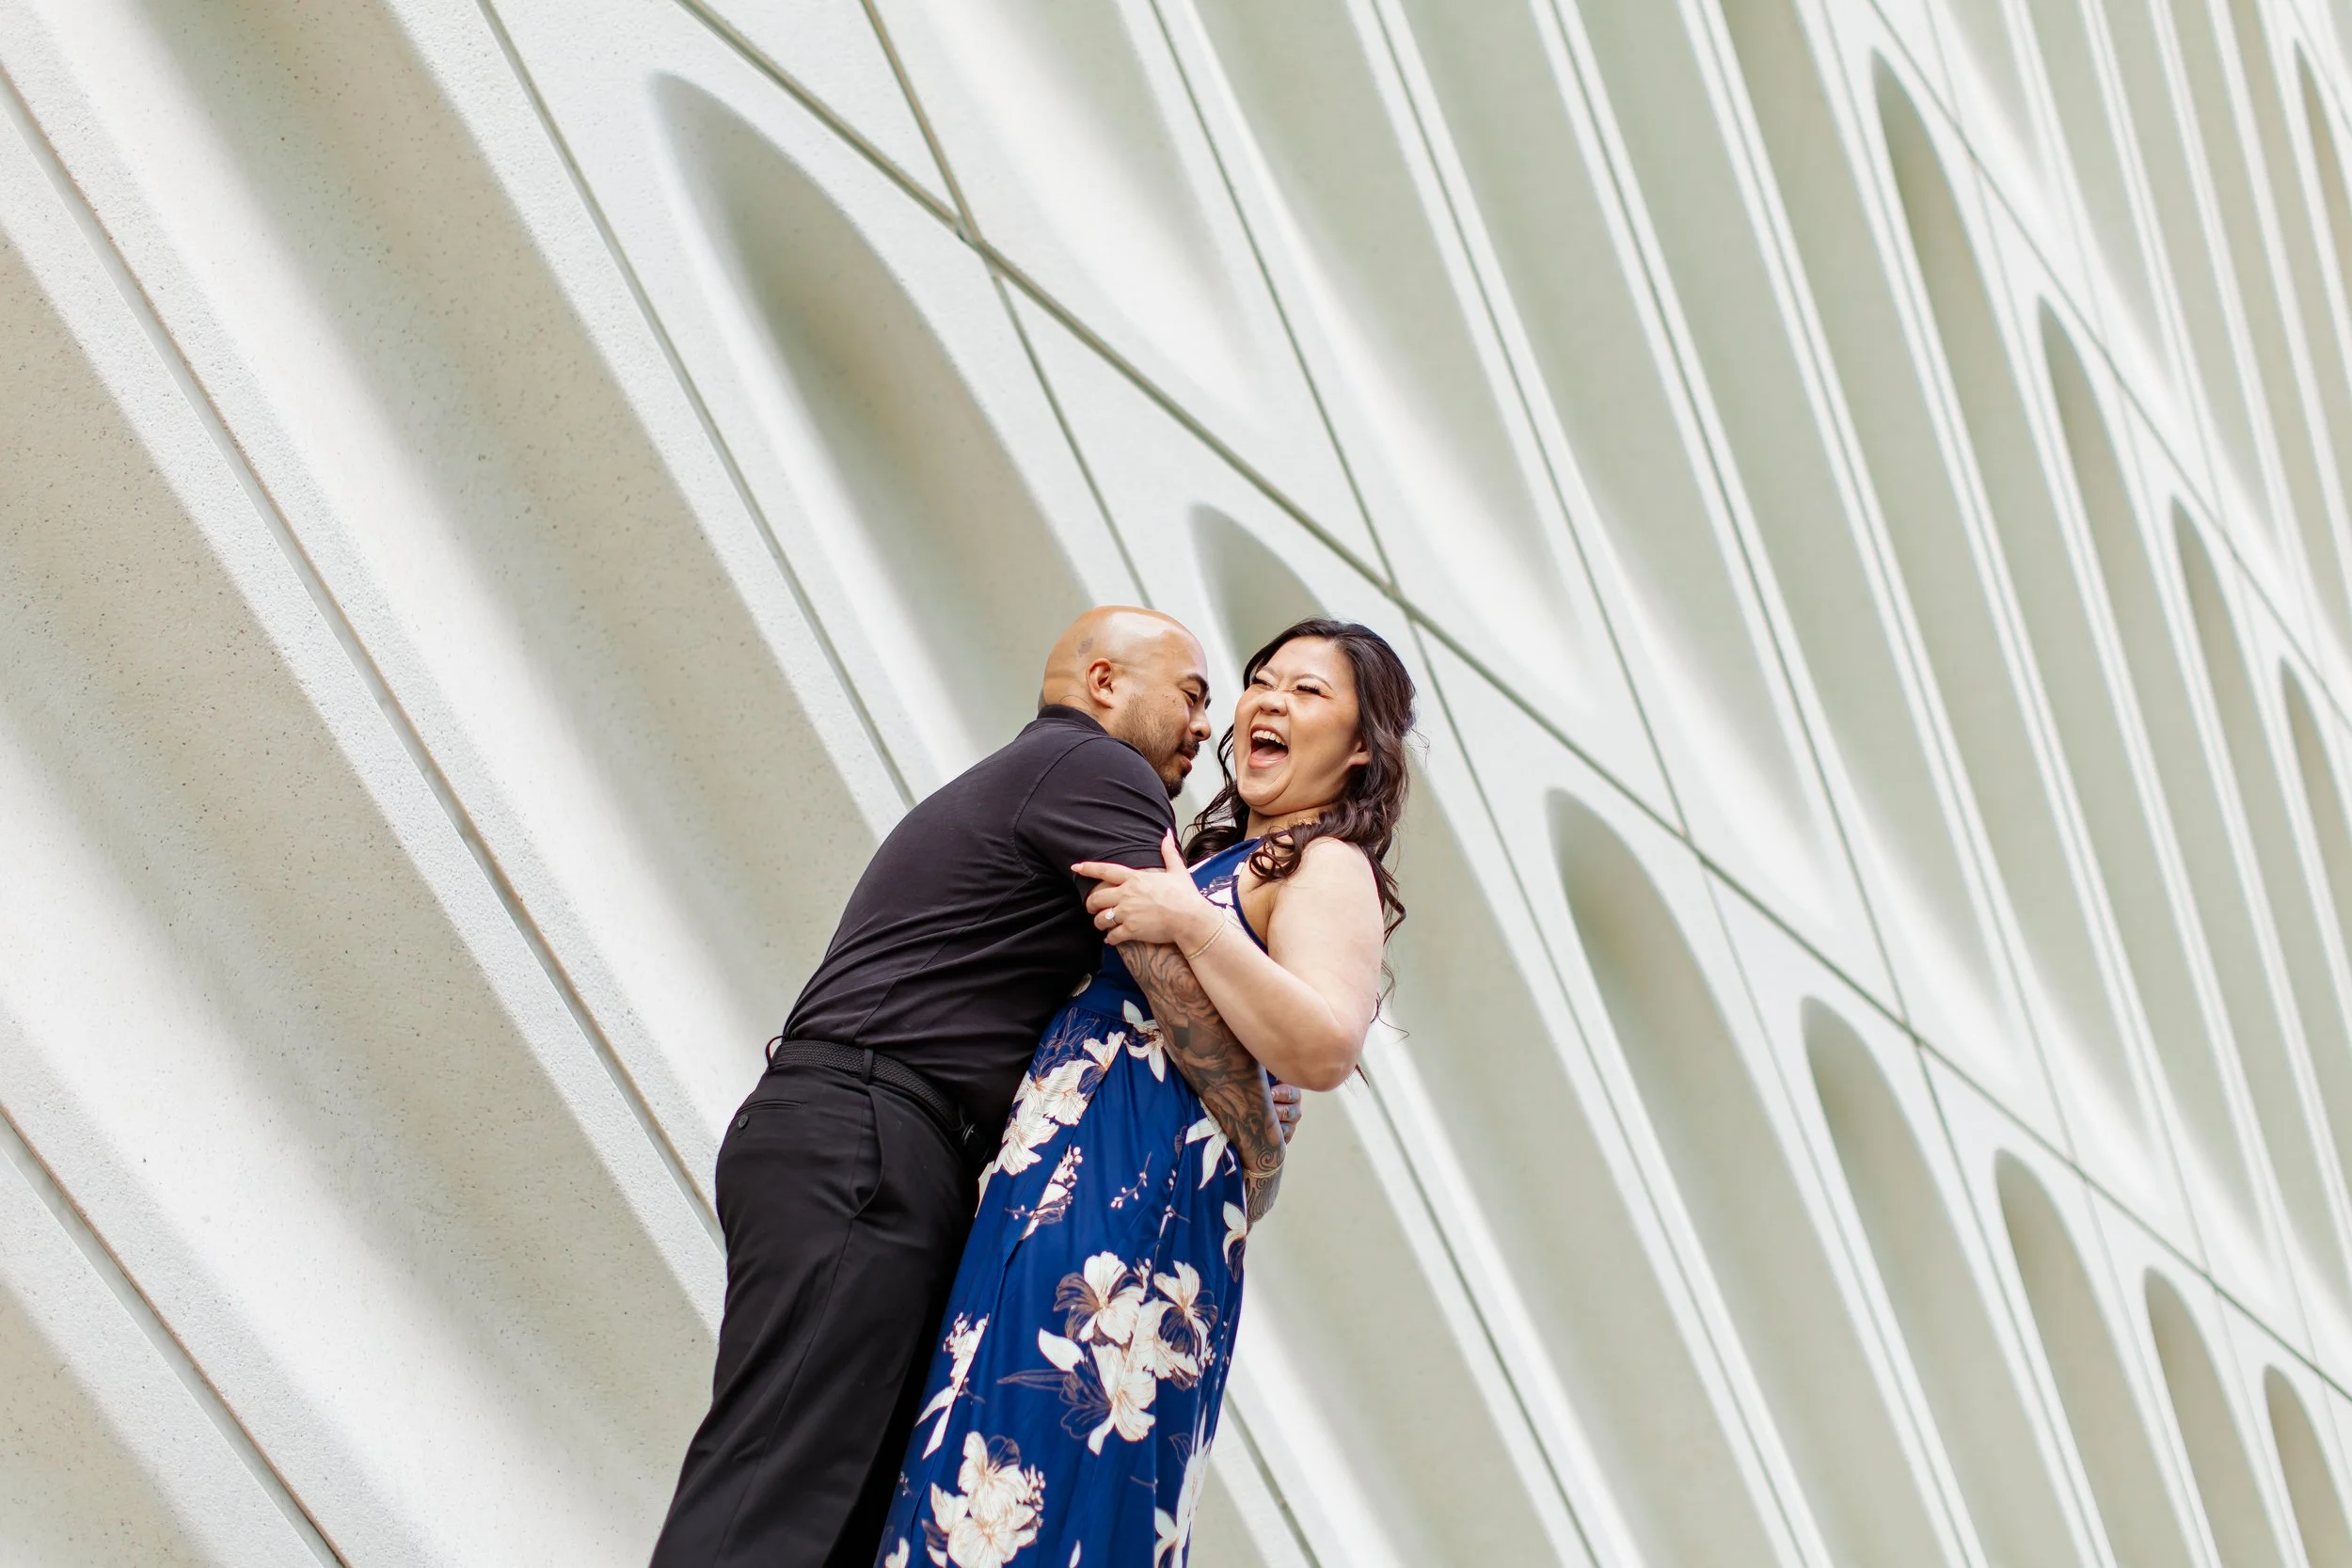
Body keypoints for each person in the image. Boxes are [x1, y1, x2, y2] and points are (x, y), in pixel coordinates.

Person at [650, 607, 1301, 1568]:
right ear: (1104, 683)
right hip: (869, 1138)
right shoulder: (1096, 769)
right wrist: (1258, 1135)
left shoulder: (1034, 783)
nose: (1206, 727)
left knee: (830, 1499)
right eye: (1193, 695)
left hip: (862, 1139)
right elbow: (1168, 976)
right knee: (777, 1489)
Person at [871, 617, 1416, 1568]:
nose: (1268, 701)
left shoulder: (1324, 864)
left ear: (1362, 748)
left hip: (1130, 1217)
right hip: (1051, 1195)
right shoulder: (1205, 859)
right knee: (978, 1461)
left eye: (1308, 691)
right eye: (1261, 680)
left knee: (1044, 1471)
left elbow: (1328, 1043)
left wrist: (1191, 929)